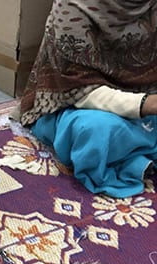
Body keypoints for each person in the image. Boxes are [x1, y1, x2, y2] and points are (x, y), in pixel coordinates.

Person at [18, 0, 157, 198]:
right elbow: (77, 88)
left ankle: (133, 151)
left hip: (144, 95)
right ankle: (132, 152)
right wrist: (146, 104)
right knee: (97, 131)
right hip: (73, 102)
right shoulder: (73, 6)